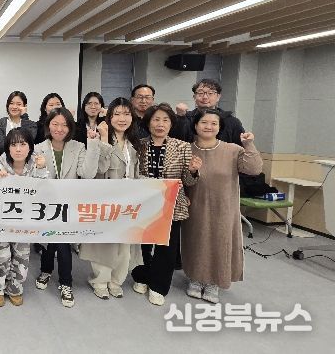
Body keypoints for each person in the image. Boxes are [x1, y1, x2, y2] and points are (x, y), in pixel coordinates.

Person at [182, 109, 262, 303]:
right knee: (196, 241)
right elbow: (182, 180)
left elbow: (254, 169)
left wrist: (248, 144)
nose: (208, 127)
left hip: (224, 207)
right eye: (204, 122)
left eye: (213, 123)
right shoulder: (186, 149)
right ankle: (195, 278)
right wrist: (191, 171)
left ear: (219, 127)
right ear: (195, 125)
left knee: (220, 243)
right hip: (196, 205)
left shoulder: (232, 150)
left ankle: (214, 282)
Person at [130, 103, 201, 306]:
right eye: (156, 120)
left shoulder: (182, 146)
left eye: (165, 120)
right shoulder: (138, 145)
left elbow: (189, 181)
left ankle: (158, 286)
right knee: (143, 244)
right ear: (148, 123)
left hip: (171, 204)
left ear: (171, 124)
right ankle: (142, 276)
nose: (160, 124)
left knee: (166, 247)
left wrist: (193, 171)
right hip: (144, 203)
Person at [33, 108, 99, 308]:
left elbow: (87, 173)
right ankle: (46, 270)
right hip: (45, 205)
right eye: (55, 124)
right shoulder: (38, 148)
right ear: (48, 125)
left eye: (64, 125)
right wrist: (40, 168)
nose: (59, 129)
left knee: (62, 243)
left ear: (70, 127)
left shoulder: (78, 147)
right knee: (48, 240)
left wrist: (93, 144)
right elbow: (34, 179)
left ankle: (65, 283)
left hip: (68, 205)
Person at [79, 98, 143, 300]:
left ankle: (116, 281)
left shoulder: (134, 143)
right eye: (117, 114)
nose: (122, 119)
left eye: (126, 114)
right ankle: (99, 281)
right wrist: (104, 140)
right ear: (109, 117)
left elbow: (137, 173)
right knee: (105, 245)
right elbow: (100, 169)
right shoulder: (98, 138)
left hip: (129, 203)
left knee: (125, 246)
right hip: (107, 202)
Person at [0, 128, 48, 307]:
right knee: (2, 255)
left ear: (30, 147)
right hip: (0, 223)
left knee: (22, 255)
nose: (18, 149)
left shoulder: (37, 165)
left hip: (25, 223)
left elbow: (44, 192)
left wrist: (42, 169)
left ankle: (15, 288)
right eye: (13, 145)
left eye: (23, 144)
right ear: (7, 148)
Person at [173, 78, 246, 146]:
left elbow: (241, 148)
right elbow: (174, 143)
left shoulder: (232, 121)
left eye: (210, 93)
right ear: (194, 97)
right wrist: (180, 118)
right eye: (200, 93)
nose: (205, 97)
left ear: (218, 97)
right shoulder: (185, 117)